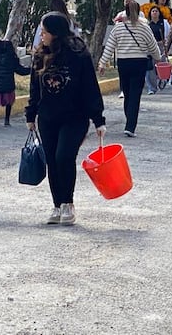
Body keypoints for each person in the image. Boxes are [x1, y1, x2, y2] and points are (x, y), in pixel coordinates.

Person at [25, 11, 106, 225]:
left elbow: (90, 86)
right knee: (51, 160)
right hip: (48, 117)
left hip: (75, 117)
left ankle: (68, 203)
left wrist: (98, 119)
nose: (41, 35)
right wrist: (30, 114)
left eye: (45, 31)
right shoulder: (40, 55)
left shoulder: (79, 54)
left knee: (64, 157)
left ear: (55, 32)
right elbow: (35, 87)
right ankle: (57, 204)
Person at [98, 0, 161, 137]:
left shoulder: (118, 28)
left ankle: (129, 118)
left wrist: (102, 63)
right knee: (135, 94)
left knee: (126, 92)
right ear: (139, 12)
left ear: (125, 12)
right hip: (139, 63)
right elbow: (153, 46)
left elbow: (109, 47)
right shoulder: (144, 27)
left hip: (123, 63)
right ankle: (130, 126)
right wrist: (158, 57)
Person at [0, 40, 30, 128]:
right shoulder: (12, 59)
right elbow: (20, 70)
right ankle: (7, 121)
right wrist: (31, 70)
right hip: (8, 85)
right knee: (9, 103)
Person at [145, 5, 169, 95]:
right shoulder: (147, 25)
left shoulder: (164, 23)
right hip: (150, 47)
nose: (154, 13)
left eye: (156, 11)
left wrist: (167, 48)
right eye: (153, 11)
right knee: (150, 68)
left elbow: (168, 35)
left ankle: (163, 81)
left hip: (161, 46)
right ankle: (152, 87)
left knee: (161, 67)